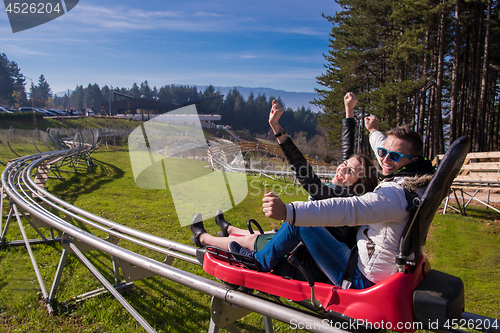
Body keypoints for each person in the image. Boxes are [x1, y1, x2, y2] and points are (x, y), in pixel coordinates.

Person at [227, 123, 435, 289]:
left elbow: (348, 209)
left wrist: (288, 211)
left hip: (358, 276)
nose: (385, 160)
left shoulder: (392, 195)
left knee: (299, 223)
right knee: (289, 227)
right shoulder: (414, 182)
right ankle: (235, 238)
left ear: (413, 160)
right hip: (369, 264)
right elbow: (381, 149)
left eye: (395, 156)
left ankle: (259, 262)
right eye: (381, 153)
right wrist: (372, 131)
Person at [190, 93, 378, 255]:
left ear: (359, 184)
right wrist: (349, 112)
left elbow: (309, 180)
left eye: (350, 171)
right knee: (261, 236)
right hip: (301, 239)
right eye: (344, 164)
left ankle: (203, 238)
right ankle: (228, 228)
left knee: (253, 243)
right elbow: (348, 151)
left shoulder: (343, 201)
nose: (342, 168)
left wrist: (278, 131)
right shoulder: (349, 197)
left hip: (305, 250)